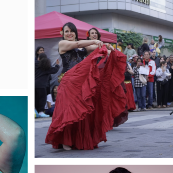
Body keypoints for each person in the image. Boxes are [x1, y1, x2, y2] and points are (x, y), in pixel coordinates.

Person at [45, 22, 127, 150]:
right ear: (63, 34)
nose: (69, 33)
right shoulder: (62, 44)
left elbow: (94, 47)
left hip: (81, 81)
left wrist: (105, 46)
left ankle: (77, 140)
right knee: (68, 110)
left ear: (75, 33)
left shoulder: (83, 47)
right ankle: (66, 140)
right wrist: (96, 42)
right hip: (68, 81)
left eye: (72, 31)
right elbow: (78, 44)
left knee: (81, 110)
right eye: (67, 31)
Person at [35, 53, 60, 118]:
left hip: (33, 84)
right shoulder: (46, 66)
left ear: (38, 58)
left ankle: (34, 111)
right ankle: (40, 112)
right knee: (42, 98)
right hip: (42, 85)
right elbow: (54, 70)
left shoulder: (34, 64)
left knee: (34, 98)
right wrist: (57, 65)